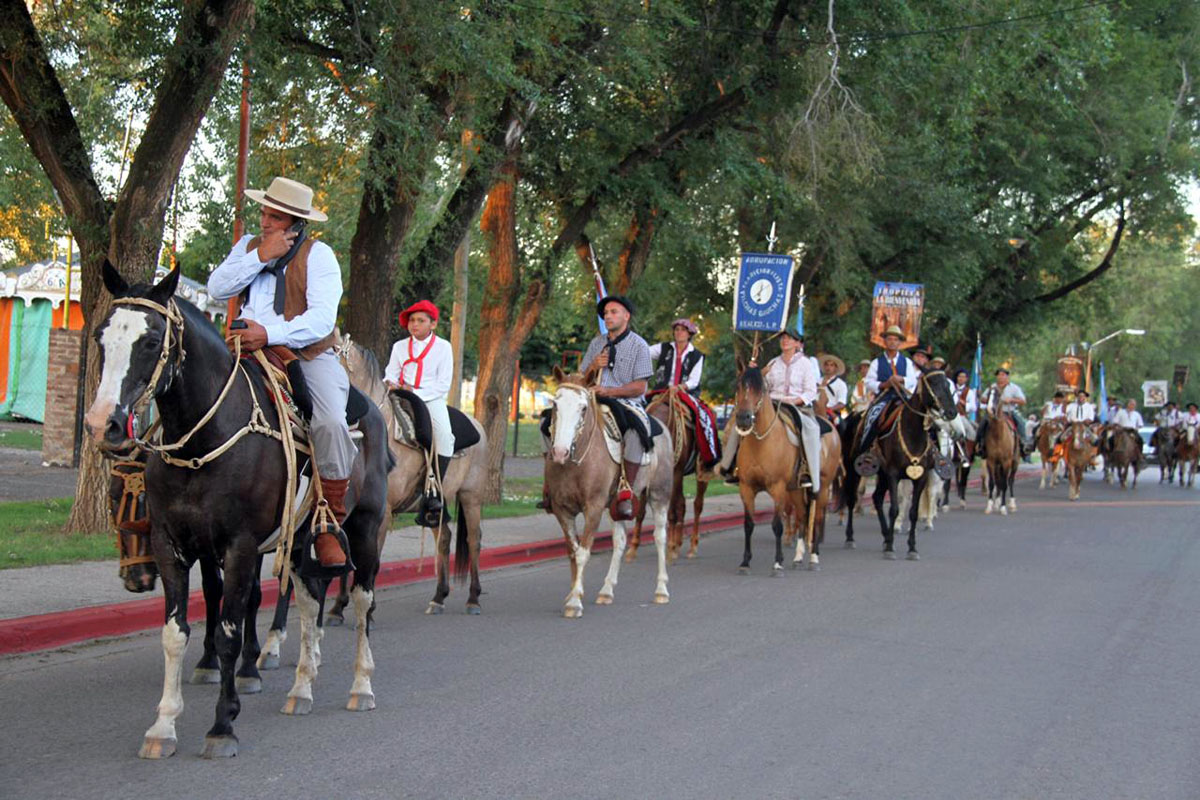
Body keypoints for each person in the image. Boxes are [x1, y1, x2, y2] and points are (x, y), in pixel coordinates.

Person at [207, 176, 351, 568]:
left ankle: (327, 521)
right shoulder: (249, 245)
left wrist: (269, 333)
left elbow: (322, 320)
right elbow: (215, 288)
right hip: (241, 352)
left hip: (303, 355)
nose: (265, 221)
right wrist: (260, 256)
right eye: (264, 212)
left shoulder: (320, 256)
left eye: (275, 216)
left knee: (331, 423)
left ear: (296, 224)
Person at [580, 295, 655, 520]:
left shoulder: (639, 345)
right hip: (593, 398)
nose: (608, 316)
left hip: (626, 402)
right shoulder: (597, 343)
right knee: (553, 420)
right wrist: (593, 366)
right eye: (605, 314)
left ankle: (626, 491)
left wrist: (610, 391)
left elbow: (641, 387)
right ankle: (556, 486)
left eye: (613, 312)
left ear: (626, 316)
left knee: (634, 432)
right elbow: (582, 377)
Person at [384, 300, 454, 527]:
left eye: (421, 320)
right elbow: (390, 373)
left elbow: (443, 384)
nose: (415, 324)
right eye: (412, 320)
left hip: (429, 398)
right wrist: (391, 383)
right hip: (399, 396)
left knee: (444, 436)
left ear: (432, 324)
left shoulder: (443, 347)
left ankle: (434, 493)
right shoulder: (399, 347)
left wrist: (417, 392)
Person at [760, 325, 823, 491]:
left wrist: (796, 401)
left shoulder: (806, 364)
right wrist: (761, 375)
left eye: (789, 338)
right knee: (746, 423)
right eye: (783, 338)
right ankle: (733, 466)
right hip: (773, 404)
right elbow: (764, 389)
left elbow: (811, 391)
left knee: (810, 429)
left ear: (798, 344)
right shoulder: (773, 363)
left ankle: (808, 470)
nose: (785, 341)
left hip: (797, 406)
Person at [852, 325, 918, 464]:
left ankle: (926, 452)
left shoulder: (907, 362)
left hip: (902, 398)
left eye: (896, 340)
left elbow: (913, 380)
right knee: (871, 416)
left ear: (900, 343)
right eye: (890, 339)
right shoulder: (877, 362)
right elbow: (869, 382)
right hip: (884, 398)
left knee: (919, 418)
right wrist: (884, 385)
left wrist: (901, 379)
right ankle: (866, 449)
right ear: (885, 342)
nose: (892, 342)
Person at [976, 367, 1031, 457]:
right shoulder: (993, 387)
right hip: (994, 412)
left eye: (1003, 375)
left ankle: (1023, 444)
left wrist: (1011, 399)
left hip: (1008, 412)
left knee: (1020, 423)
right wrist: (989, 399)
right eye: (999, 375)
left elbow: (1023, 401)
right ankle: (980, 444)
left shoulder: (1014, 388)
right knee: (982, 424)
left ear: (1007, 376)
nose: (1000, 377)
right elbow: (983, 399)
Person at [649, 318, 704, 393]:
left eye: (683, 330)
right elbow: (645, 352)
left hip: (686, 393)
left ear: (689, 334)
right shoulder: (663, 348)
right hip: (662, 392)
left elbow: (694, 381)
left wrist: (678, 388)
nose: (679, 332)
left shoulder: (697, 356)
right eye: (677, 329)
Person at [817, 353, 848, 420]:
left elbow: (842, 404)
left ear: (835, 368)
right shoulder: (817, 381)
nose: (828, 367)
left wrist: (828, 409)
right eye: (827, 365)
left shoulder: (841, 384)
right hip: (815, 411)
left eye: (831, 365)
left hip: (832, 413)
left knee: (842, 427)